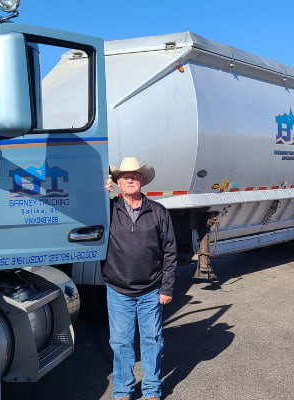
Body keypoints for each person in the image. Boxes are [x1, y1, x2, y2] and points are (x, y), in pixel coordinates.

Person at [102, 156, 176, 400]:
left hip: (151, 290)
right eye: (124, 177)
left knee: (152, 340)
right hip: (118, 289)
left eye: (134, 176)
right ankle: (123, 390)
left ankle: (152, 390)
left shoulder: (158, 212)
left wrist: (167, 288)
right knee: (121, 342)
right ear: (118, 182)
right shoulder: (108, 209)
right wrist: (100, 193)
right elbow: (85, 210)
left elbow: (169, 251)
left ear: (142, 181)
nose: (130, 180)